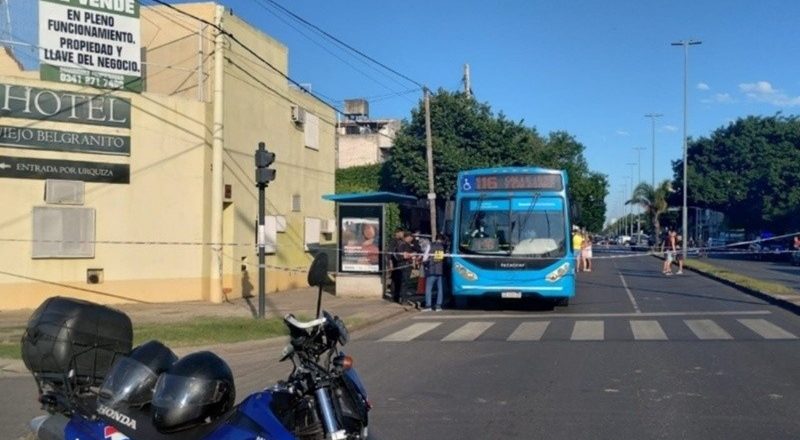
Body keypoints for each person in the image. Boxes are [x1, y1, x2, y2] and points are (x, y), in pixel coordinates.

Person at [422, 234, 446, 312]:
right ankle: (438, 306)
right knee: (440, 289)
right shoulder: (443, 247)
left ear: (435, 239)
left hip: (431, 270)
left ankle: (428, 305)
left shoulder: (430, 245)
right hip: (440, 271)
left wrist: (425, 264)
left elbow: (425, 258)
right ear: (442, 240)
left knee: (429, 288)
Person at [389, 227, 405, 302]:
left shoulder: (400, 241)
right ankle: (394, 296)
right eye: (402, 233)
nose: (402, 234)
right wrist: (390, 263)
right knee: (395, 280)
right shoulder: (393, 241)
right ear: (398, 233)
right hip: (395, 263)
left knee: (398, 280)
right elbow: (390, 253)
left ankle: (397, 296)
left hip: (399, 263)